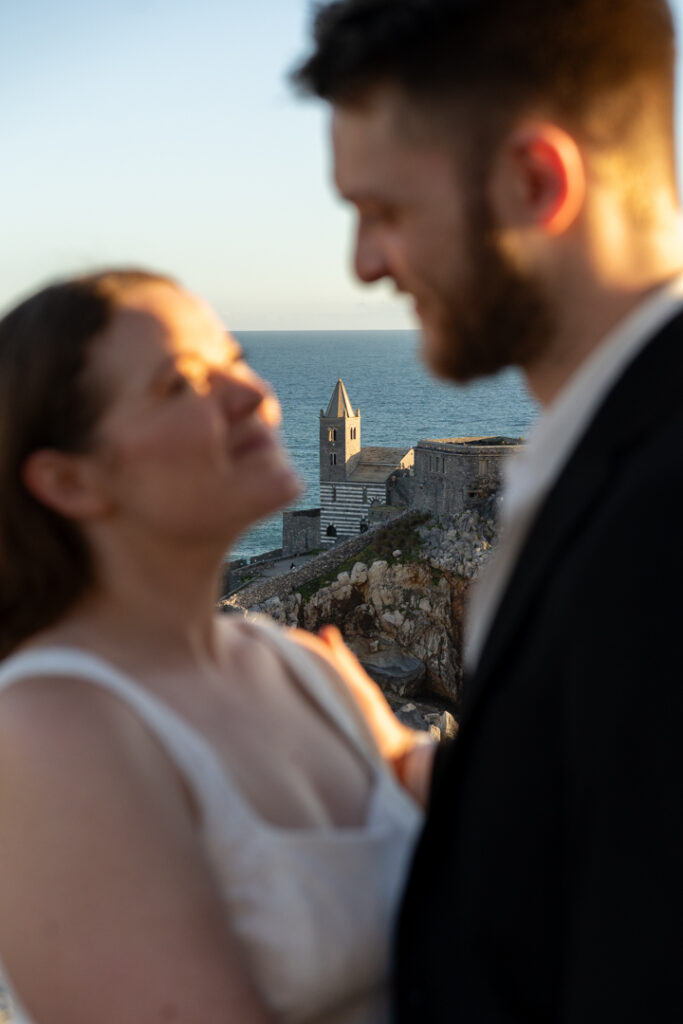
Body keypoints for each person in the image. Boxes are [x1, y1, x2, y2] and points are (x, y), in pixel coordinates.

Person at [293, 0, 683, 1019]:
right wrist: (425, 783)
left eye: (382, 210)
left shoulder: (659, 518)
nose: (363, 264)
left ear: (534, 182)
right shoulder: (596, 467)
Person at [0, 269, 433, 1024]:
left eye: (233, 361)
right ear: (69, 480)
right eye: (182, 384)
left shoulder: (302, 667)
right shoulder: (50, 733)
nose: (253, 394)